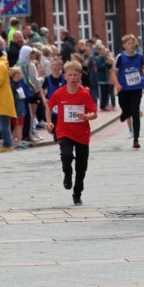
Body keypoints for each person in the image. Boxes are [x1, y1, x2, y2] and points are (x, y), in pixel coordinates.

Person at [47, 58, 97, 204]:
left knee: (81, 167)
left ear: (80, 76)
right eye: (70, 75)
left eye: (75, 75)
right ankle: (67, 173)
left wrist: (86, 116)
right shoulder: (59, 93)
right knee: (66, 154)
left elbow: (94, 113)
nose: (72, 78)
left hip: (82, 133)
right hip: (64, 131)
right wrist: (49, 122)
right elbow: (49, 106)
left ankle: (77, 193)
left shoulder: (84, 94)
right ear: (65, 76)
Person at [111, 34, 144, 148]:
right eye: (129, 43)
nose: (132, 45)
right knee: (125, 108)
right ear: (124, 45)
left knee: (135, 112)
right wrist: (117, 84)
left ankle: (136, 139)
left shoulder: (140, 56)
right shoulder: (120, 57)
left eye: (133, 43)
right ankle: (125, 113)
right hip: (124, 89)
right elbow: (114, 73)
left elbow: (141, 69)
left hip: (136, 88)